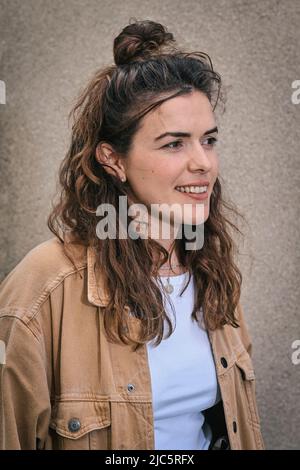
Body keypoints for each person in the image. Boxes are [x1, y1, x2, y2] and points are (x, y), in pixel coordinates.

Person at [0, 19, 265, 450]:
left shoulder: (212, 270)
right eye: (174, 143)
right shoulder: (45, 287)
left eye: (209, 140)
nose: (204, 163)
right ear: (113, 159)